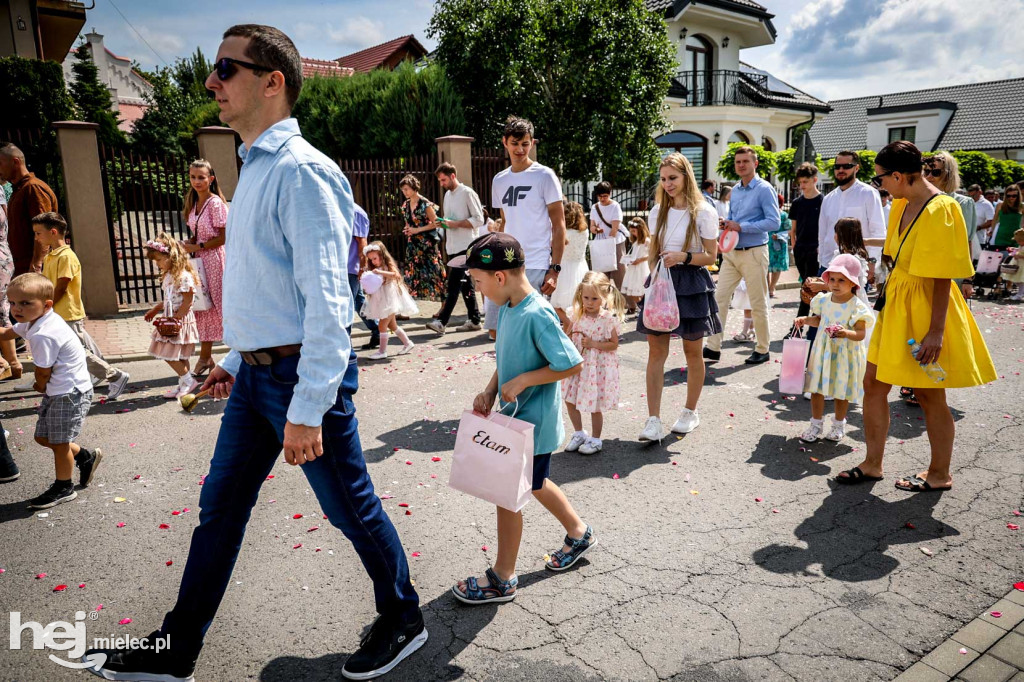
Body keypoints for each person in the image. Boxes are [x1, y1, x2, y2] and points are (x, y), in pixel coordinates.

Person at [85, 25, 426, 682]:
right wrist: (236, 362)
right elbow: (268, 290)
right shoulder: (257, 169)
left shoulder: (302, 173)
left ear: (272, 83)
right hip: (256, 376)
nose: (211, 81)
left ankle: (403, 614)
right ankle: (175, 651)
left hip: (302, 379)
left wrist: (304, 408)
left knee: (348, 507)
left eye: (225, 68)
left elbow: (328, 304)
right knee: (220, 509)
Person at [835, 140, 996, 491]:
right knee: (873, 384)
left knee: (929, 395)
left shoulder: (943, 208)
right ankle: (873, 463)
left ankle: (939, 474)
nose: (879, 187)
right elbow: (895, 253)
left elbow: (941, 276)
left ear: (897, 175)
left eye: (880, 180)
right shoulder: (900, 205)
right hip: (897, 302)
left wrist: (936, 331)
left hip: (927, 306)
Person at [453, 232, 593, 604]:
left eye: (479, 282)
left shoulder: (537, 312)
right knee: (534, 483)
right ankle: (579, 532)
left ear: (500, 277)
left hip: (534, 424)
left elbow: (572, 363)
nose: (479, 291)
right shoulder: (510, 308)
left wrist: (525, 379)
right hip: (519, 420)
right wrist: (490, 388)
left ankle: (503, 578)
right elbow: (505, 360)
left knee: (508, 494)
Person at [638, 153, 721, 440]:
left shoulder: (704, 212)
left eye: (672, 178)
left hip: (692, 283)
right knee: (656, 352)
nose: (667, 183)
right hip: (663, 282)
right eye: (663, 179)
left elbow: (712, 255)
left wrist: (683, 257)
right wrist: (654, 278)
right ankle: (653, 420)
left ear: (686, 176)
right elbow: (652, 251)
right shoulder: (657, 211)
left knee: (692, 352)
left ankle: (690, 411)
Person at [0, 273, 101, 508]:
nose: (17, 309)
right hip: (60, 391)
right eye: (13, 303)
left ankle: (64, 487)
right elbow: (7, 333)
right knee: (43, 437)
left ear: (46, 304)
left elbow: (42, 372)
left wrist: (39, 386)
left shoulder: (43, 333)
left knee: (59, 442)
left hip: (69, 393)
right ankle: (85, 457)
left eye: (25, 303)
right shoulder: (35, 321)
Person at [34, 212, 131, 399]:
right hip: (57, 313)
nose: (36, 237)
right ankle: (97, 375)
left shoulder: (66, 257)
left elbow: (61, 287)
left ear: (53, 232)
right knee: (80, 350)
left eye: (38, 233)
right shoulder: (51, 256)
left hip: (66, 313)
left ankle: (115, 376)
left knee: (78, 353)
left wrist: (45, 308)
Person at [485, 116, 566, 339]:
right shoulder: (499, 180)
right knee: (498, 332)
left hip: (536, 264)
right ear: (505, 142)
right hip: (506, 263)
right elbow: (505, 223)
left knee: (530, 333)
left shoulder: (545, 175)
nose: (520, 149)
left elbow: (559, 226)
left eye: (525, 143)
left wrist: (555, 269)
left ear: (532, 143)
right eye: (515, 143)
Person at [704, 146, 779, 366]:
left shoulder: (765, 189)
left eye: (746, 161)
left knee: (757, 302)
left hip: (755, 252)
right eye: (738, 162)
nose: (741, 165)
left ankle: (763, 349)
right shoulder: (735, 190)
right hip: (732, 253)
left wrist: (741, 226)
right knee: (719, 298)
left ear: (755, 164)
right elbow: (735, 221)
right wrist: (726, 226)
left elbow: (773, 222)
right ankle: (713, 347)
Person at [793, 254, 873, 445]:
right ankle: (816, 423)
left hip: (844, 355)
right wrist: (805, 320)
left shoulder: (857, 306)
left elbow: (861, 333)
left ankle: (838, 424)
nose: (835, 284)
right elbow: (819, 321)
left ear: (853, 282)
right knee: (816, 389)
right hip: (823, 352)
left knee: (840, 391)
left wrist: (845, 333)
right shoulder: (824, 300)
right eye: (832, 279)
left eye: (841, 280)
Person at [562, 271, 626, 455]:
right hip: (577, 366)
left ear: (605, 298)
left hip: (596, 370)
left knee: (594, 405)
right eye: (586, 298)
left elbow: (613, 345)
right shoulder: (576, 315)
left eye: (595, 299)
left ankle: (596, 439)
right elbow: (568, 335)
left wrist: (593, 344)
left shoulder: (607, 320)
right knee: (570, 399)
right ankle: (579, 433)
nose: (589, 303)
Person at [181, 159, 228, 378]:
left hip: (215, 260)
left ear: (211, 179)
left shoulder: (215, 203)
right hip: (199, 259)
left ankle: (243, 355)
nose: (197, 181)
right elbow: (199, 232)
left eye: (201, 177)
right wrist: (189, 242)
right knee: (204, 308)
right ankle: (205, 357)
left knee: (222, 307)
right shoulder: (193, 202)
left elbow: (224, 236)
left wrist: (197, 245)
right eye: (193, 177)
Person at [427, 162, 484, 335]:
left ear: (453, 176)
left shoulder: (467, 193)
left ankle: (442, 321)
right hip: (453, 245)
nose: (441, 184)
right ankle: (474, 319)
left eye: (443, 180)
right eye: (440, 180)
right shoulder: (448, 196)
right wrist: (442, 223)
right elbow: (449, 220)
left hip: (466, 246)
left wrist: (454, 224)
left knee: (453, 285)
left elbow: (479, 219)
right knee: (465, 285)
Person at [142, 234, 201, 399]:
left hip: (179, 321)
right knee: (181, 356)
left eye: (160, 260)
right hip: (171, 318)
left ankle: (188, 381)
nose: (158, 264)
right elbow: (169, 298)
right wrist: (155, 309)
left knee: (168, 354)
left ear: (172, 257)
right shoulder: (169, 275)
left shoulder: (183, 276)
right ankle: (183, 383)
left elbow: (188, 301)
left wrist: (176, 320)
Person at [818, 151, 886, 285]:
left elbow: (877, 229)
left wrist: (871, 261)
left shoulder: (868, 194)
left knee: (855, 305)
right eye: (837, 167)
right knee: (826, 305)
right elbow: (823, 233)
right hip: (829, 264)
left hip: (857, 267)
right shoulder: (828, 198)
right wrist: (821, 262)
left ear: (856, 168)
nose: (841, 170)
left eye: (846, 166)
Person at [0, 142, 56, 274]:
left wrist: (37, 264)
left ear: (15, 161)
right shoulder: (19, 190)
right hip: (22, 267)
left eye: (0, 164)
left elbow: (44, 230)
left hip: (33, 268)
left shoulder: (33, 188)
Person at [786, 162, 824, 339]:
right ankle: (807, 326)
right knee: (808, 288)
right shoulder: (797, 203)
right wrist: (794, 246)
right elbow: (792, 229)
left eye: (806, 182)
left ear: (814, 180)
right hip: (801, 250)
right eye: (800, 182)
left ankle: (799, 327)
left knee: (810, 289)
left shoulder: (823, 200)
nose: (802, 186)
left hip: (817, 250)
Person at [362, 241, 417, 360]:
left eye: (375, 258)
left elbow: (396, 275)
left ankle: (382, 351)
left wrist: (380, 272)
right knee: (392, 325)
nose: (373, 261)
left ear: (382, 255)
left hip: (390, 301)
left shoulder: (386, 265)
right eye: (371, 259)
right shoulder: (376, 268)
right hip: (384, 301)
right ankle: (408, 343)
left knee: (382, 325)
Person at [399, 174, 446, 301]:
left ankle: (444, 304)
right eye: (403, 189)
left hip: (427, 244)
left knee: (434, 273)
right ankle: (407, 307)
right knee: (411, 274)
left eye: (407, 189)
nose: (405, 192)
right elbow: (409, 222)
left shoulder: (425, 204)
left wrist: (417, 230)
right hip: (413, 244)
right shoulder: (405, 205)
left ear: (415, 188)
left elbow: (437, 223)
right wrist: (408, 229)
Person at [549, 200, 590, 330]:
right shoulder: (585, 231)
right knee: (576, 303)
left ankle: (569, 324)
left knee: (557, 304)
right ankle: (572, 327)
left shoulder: (565, 234)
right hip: (581, 267)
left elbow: (553, 244)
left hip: (565, 268)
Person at [349, 203, 380, 350]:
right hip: (347, 267)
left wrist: (362, 266)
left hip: (351, 267)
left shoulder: (356, 212)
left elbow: (362, 242)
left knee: (347, 304)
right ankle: (378, 330)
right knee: (358, 302)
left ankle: (345, 342)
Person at [0, 184, 22, 379]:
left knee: (2, 309)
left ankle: (7, 363)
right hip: (3, 256)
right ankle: (12, 364)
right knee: (2, 309)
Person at [589, 181, 626, 289]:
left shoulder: (615, 206)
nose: (602, 199)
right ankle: (602, 300)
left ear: (610, 194)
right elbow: (592, 227)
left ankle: (627, 301)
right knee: (601, 274)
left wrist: (608, 243)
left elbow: (614, 229)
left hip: (615, 242)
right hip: (601, 243)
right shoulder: (594, 207)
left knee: (620, 271)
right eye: (600, 196)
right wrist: (596, 229)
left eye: (605, 196)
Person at [620, 217, 651, 313]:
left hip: (642, 267)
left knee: (641, 289)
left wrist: (640, 260)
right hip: (633, 268)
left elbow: (651, 255)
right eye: (631, 231)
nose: (633, 233)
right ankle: (641, 307)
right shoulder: (636, 242)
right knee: (632, 290)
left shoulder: (647, 241)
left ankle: (645, 308)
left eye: (634, 231)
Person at [768, 198, 791, 297]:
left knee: (777, 267)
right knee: (765, 266)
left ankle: (772, 287)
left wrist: (779, 235)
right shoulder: (766, 215)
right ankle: (767, 286)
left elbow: (790, 231)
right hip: (767, 243)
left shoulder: (784, 215)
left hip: (779, 244)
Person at [990, 184, 1021, 249]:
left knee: (1014, 257)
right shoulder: (1000, 205)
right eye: (1008, 196)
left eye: (1014, 196)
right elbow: (995, 220)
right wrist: (991, 231)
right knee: (1000, 256)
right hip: (1001, 236)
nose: (1011, 198)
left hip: (1016, 237)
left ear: (1018, 196)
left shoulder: (1022, 207)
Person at [968, 183, 994, 255]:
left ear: (980, 192)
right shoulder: (968, 202)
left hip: (979, 239)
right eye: (970, 195)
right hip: (967, 238)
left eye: (974, 195)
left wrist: (978, 227)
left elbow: (991, 221)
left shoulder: (986, 204)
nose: (972, 197)